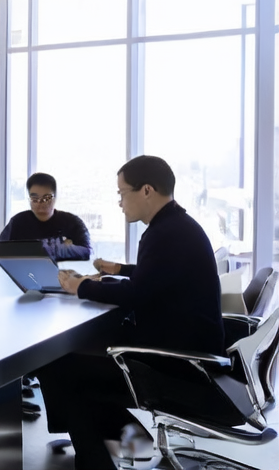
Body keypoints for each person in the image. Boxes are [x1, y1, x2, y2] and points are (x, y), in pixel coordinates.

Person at [39, 155, 224, 470]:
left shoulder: (163, 233)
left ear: (147, 190)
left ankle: (111, 452)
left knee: (63, 369)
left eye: (123, 193)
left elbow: (136, 295)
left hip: (176, 365)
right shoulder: (177, 226)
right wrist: (120, 270)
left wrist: (81, 287)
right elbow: (158, 278)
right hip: (188, 352)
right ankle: (125, 444)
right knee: (72, 363)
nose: (120, 202)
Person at [0, 172, 92, 261]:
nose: (40, 203)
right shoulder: (18, 222)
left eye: (46, 198)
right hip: (27, 271)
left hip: (63, 272)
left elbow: (87, 252)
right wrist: (61, 247)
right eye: (35, 199)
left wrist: (29, 249)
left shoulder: (72, 222)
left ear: (55, 198)